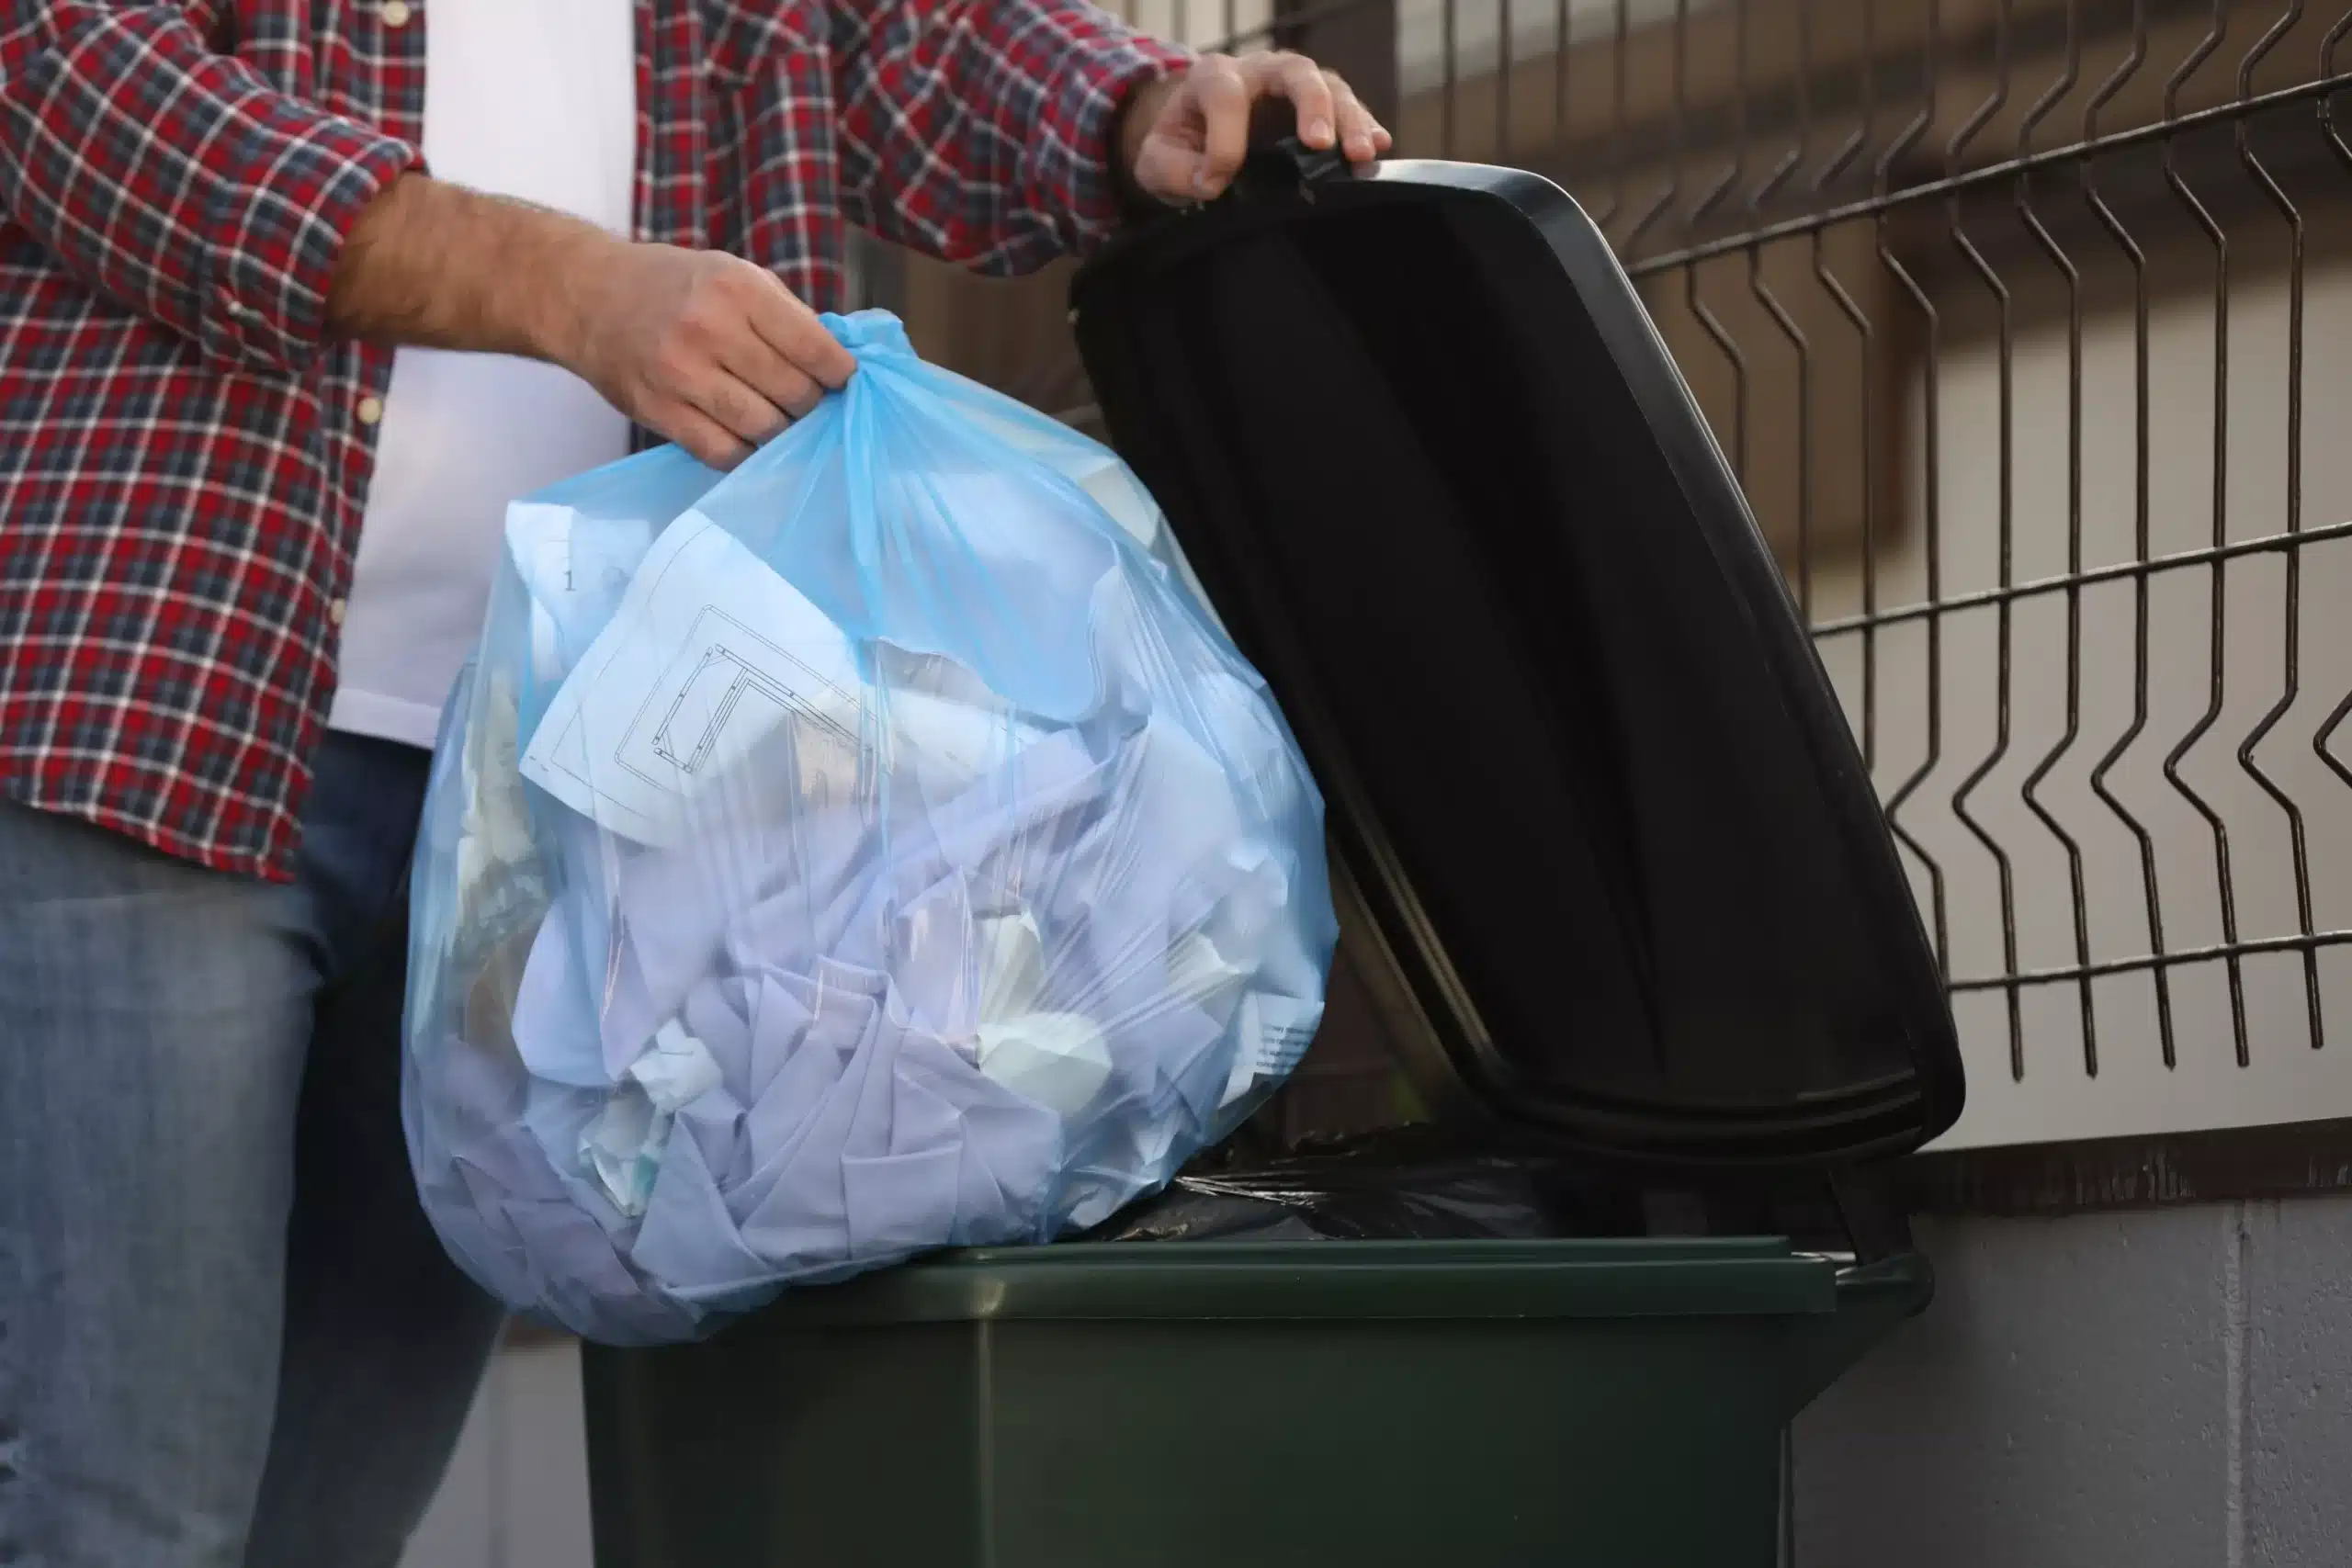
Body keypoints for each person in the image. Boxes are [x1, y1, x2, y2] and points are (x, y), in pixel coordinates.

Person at [0, 3, 1385, 1562]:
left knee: (322, 1527)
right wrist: (575, 287)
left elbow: (916, 45)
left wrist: (1144, 109)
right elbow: (77, 88)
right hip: (169, 719)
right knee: (120, 1513)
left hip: (568, 845)